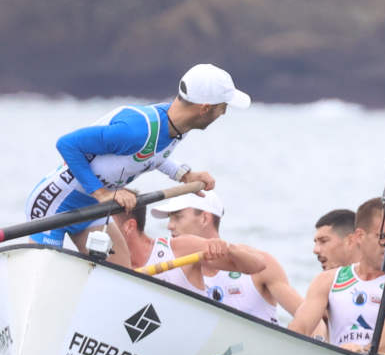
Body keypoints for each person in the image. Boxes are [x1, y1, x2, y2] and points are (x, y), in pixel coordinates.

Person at [24, 63, 246, 263]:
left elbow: (152, 155)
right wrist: (102, 194)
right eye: (223, 106)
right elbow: (67, 145)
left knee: (121, 275)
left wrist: (184, 175)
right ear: (205, 108)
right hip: (53, 205)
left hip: (92, 209)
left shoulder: (177, 126)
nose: (224, 113)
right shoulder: (135, 130)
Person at [287, 197, 385, 354]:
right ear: (360, 236)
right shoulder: (327, 280)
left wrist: (360, 351)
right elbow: (298, 330)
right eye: (383, 237)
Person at [148, 190, 302, 324]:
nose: (169, 225)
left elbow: (310, 319)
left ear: (204, 219)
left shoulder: (260, 264)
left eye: (177, 217)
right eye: (170, 218)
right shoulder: (173, 270)